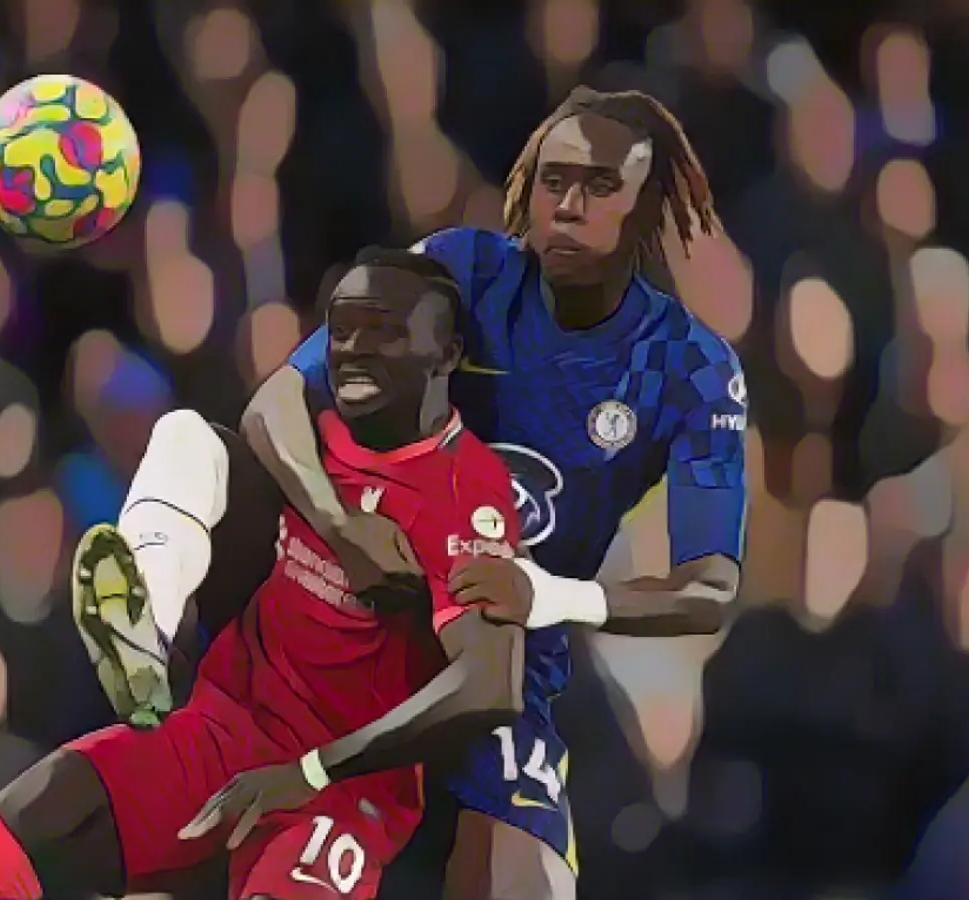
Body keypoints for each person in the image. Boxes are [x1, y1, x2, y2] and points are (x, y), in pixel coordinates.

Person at [238, 87, 749, 899]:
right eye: (553, 182)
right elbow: (274, 405)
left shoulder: (689, 368)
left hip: (504, 660)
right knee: (198, 449)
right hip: (357, 613)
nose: (569, 206)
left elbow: (712, 587)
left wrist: (556, 596)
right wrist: (340, 527)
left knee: (528, 887)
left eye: (600, 186)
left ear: (646, 205)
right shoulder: (464, 272)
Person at [0, 248, 528, 900]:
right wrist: (339, 526)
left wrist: (310, 771)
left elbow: (491, 685)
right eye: (343, 328)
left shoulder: (467, 494)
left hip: (337, 791)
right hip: (224, 729)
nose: (355, 347)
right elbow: (264, 408)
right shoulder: (309, 433)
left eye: (384, 329)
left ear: (445, 355)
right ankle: (145, 629)